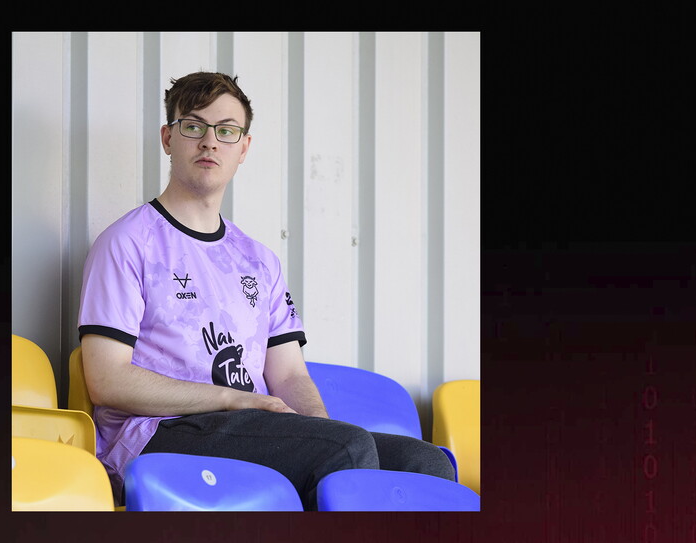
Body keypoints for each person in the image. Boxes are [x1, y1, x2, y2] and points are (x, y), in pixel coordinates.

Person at [77, 71, 454, 510]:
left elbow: (289, 374)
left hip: (247, 427)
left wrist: (316, 429)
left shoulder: (259, 261)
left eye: (226, 130)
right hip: (160, 433)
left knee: (423, 463)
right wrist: (230, 398)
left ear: (244, 148)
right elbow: (105, 379)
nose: (209, 142)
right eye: (193, 126)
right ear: (168, 138)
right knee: (345, 450)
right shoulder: (127, 242)